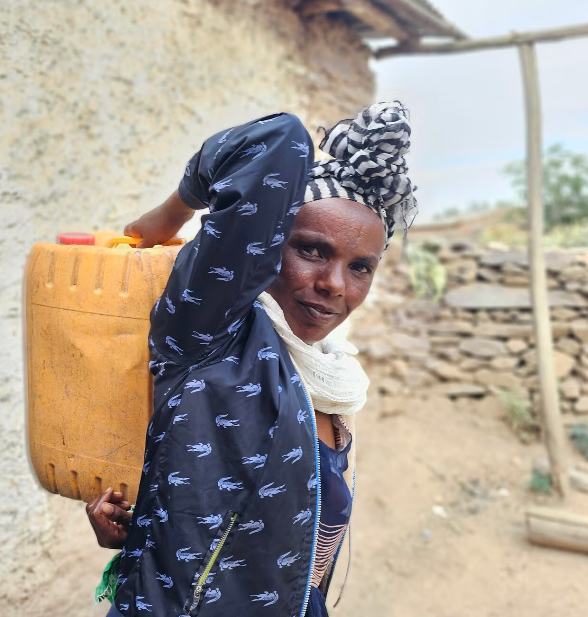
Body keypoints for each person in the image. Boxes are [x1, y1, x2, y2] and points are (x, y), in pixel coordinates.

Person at [86, 102, 417, 617]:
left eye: (360, 267)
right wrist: (173, 210)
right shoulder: (209, 333)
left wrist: (141, 524)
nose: (334, 285)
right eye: (311, 250)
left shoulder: (331, 375)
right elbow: (279, 140)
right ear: (263, 249)